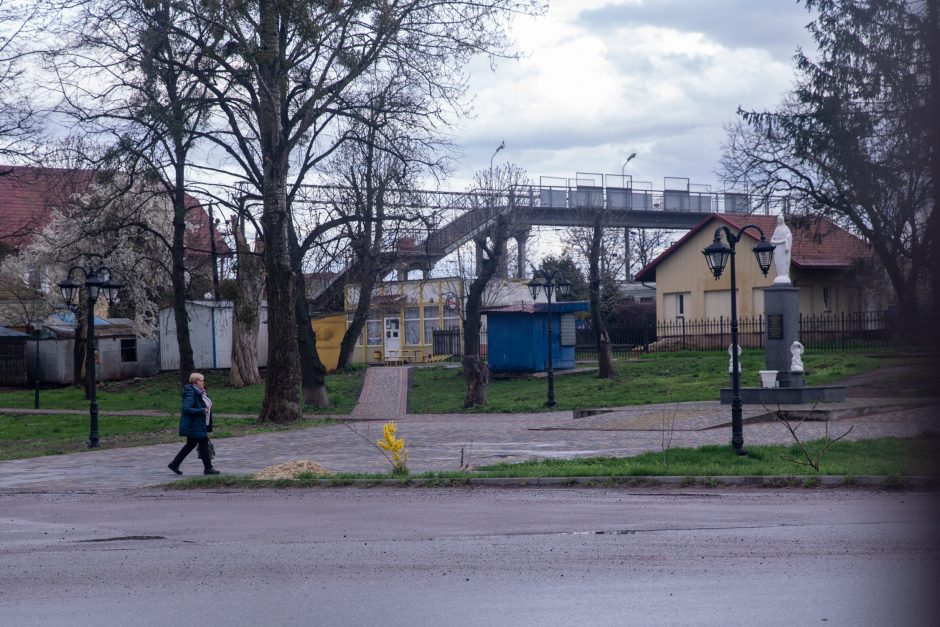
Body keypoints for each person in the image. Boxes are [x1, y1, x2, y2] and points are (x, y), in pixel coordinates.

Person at [168, 372, 220, 475]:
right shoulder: (190, 392)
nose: (203, 383)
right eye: (201, 381)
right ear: (195, 382)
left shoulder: (200, 392)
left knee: (191, 445)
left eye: (203, 381)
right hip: (194, 425)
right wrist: (201, 410)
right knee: (202, 444)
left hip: (198, 424)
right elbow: (186, 408)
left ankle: (174, 464)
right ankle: (208, 468)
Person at [770, 213, 792, 284]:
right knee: (778, 262)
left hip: (783, 247)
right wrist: (773, 240)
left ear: (782, 220)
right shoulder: (776, 228)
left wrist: (786, 239)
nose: (779, 221)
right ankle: (779, 274)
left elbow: (789, 236)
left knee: (783, 261)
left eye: (780, 219)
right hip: (777, 247)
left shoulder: (786, 228)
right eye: (778, 220)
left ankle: (784, 275)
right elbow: (773, 237)